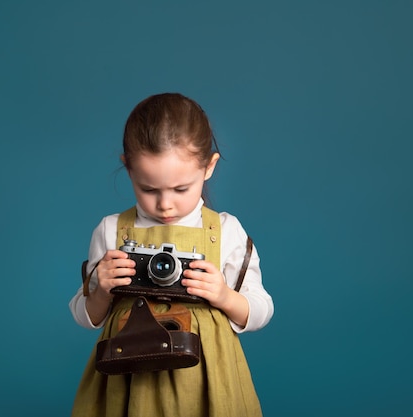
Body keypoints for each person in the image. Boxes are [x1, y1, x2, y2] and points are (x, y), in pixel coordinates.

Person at [69, 92, 274, 416]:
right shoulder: (111, 230)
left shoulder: (225, 230)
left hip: (207, 378)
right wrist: (101, 293)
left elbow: (262, 309)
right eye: (148, 189)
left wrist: (223, 296)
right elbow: (85, 316)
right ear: (128, 168)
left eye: (181, 189)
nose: (165, 204)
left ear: (209, 167)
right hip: (130, 378)